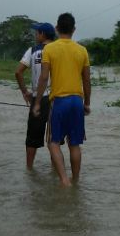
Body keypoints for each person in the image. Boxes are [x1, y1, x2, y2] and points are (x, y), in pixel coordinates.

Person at [33, 13, 91, 187]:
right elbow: (87, 80)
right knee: (75, 144)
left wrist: (37, 102)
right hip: (76, 101)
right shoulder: (82, 50)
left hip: (59, 101)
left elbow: (43, 78)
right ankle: (76, 180)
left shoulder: (49, 49)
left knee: (52, 142)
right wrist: (87, 103)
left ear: (57, 28)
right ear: (74, 29)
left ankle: (65, 181)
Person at [15, 22, 56, 169]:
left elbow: (18, 72)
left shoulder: (32, 50)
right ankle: (55, 171)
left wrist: (25, 92)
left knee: (32, 137)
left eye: (37, 32)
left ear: (42, 34)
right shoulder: (58, 49)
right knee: (54, 137)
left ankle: (29, 169)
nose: (35, 35)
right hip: (56, 98)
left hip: (38, 98)